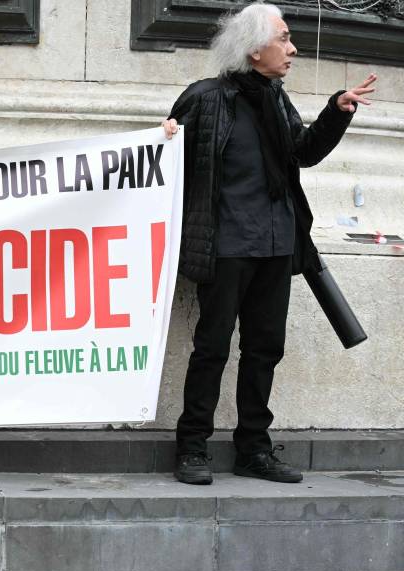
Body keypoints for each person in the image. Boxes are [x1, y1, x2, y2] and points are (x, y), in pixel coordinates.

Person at [161, 2, 376, 485]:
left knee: (265, 349)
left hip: (278, 245)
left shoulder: (276, 99)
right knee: (211, 348)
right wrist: (165, 137)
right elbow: (166, 168)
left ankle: (253, 449)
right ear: (254, 49)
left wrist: (335, 111)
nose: (292, 47)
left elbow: (303, 151)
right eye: (283, 38)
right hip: (225, 245)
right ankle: (192, 446)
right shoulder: (204, 98)